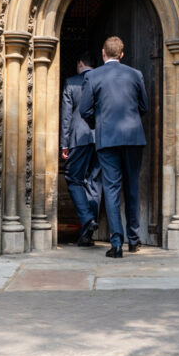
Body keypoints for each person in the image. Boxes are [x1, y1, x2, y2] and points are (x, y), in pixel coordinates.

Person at [79, 36, 148, 258]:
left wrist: (98, 125)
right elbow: (143, 106)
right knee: (132, 188)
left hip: (107, 139)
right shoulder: (135, 74)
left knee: (111, 189)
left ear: (103, 53)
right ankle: (134, 240)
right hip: (133, 138)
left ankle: (116, 243)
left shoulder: (93, 76)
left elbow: (84, 110)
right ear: (122, 54)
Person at [60, 53, 102, 247]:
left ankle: (87, 219)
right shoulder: (102, 79)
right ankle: (87, 235)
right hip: (101, 138)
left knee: (73, 178)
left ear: (80, 63)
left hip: (79, 138)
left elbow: (67, 117)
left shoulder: (71, 82)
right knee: (93, 181)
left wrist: (64, 144)